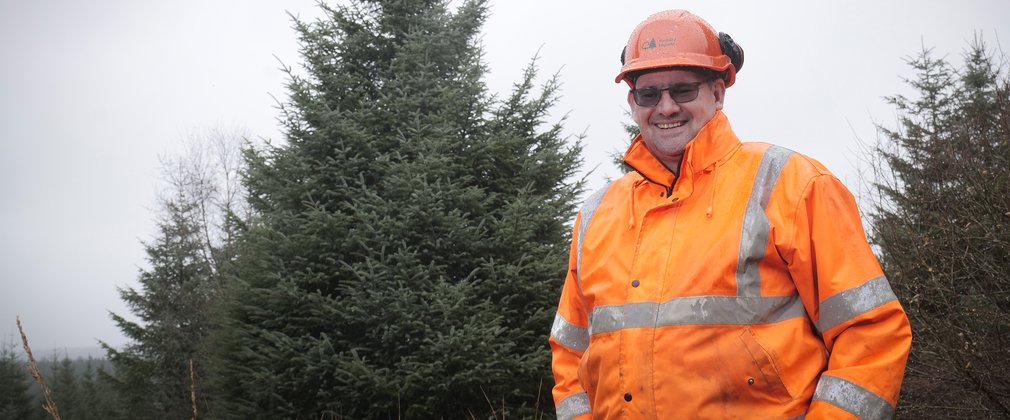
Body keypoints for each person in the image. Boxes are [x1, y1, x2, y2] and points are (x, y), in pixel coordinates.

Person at [549, 9, 912, 419]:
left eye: (683, 90)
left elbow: (871, 332)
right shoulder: (598, 214)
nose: (665, 107)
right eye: (649, 94)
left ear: (718, 93)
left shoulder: (792, 184)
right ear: (633, 103)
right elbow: (570, 353)